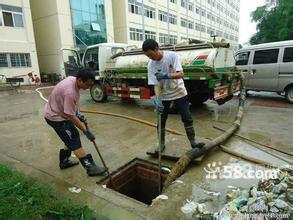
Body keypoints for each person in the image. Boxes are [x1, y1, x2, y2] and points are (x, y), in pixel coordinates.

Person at [142, 39, 205, 152]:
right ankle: (161, 144)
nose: (150, 58)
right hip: (164, 95)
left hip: (179, 92)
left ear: (157, 48)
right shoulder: (151, 65)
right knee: (161, 121)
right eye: (147, 56)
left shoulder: (172, 56)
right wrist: (157, 99)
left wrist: (166, 75)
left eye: (151, 55)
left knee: (187, 118)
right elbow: (155, 84)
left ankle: (193, 142)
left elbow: (181, 74)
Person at [44, 68, 106, 176]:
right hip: (56, 118)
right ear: (80, 80)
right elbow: (69, 115)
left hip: (60, 113)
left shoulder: (73, 80)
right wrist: (86, 131)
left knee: (70, 137)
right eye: (87, 85)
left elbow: (72, 107)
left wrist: (78, 113)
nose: (87, 88)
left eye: (90, 85)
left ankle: (64, 162)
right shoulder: (70, 92)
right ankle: (90, 168)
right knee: (74, 139)